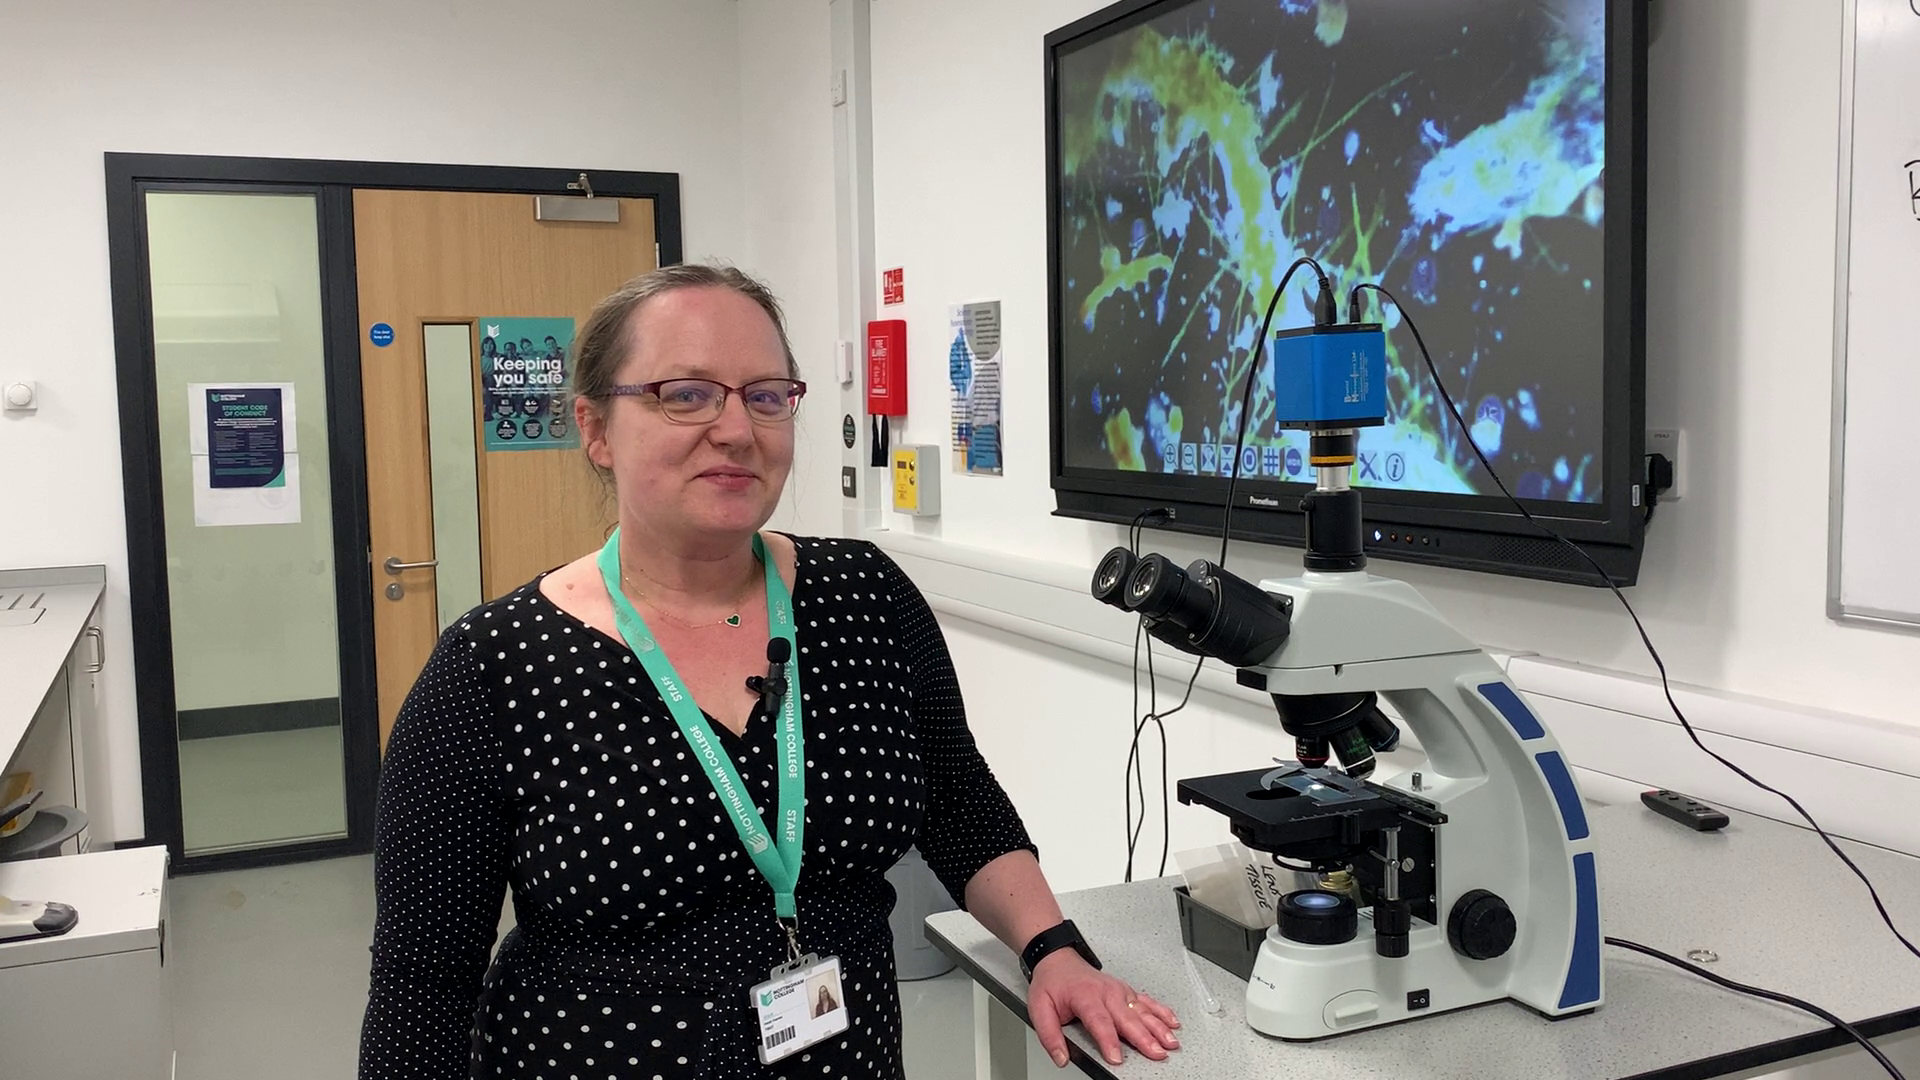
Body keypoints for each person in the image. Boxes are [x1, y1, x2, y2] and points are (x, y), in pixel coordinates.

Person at [357, 264, 1179, 1079]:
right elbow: (420, 983)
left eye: (766, 395)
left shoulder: (866, 598)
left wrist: (1054, 949)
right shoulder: (493, 666)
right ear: (595, 429)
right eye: (685, 393)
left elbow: (958, 799)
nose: (736, 428)